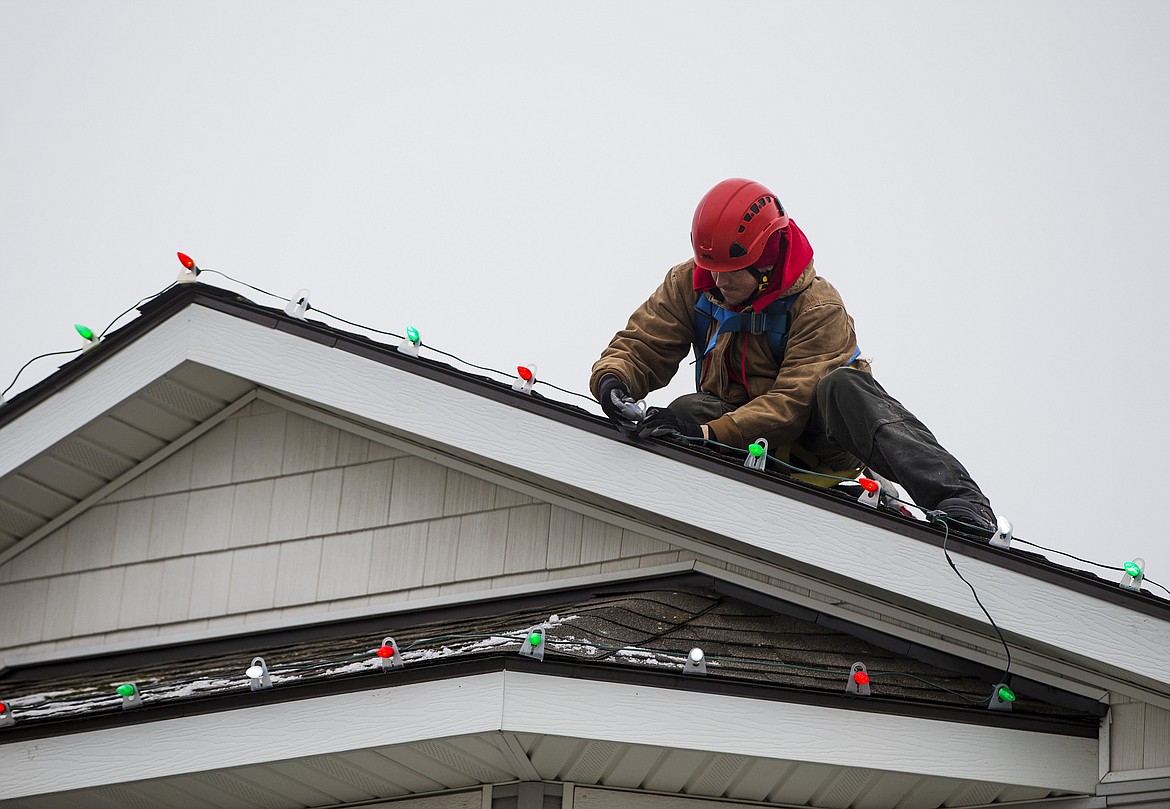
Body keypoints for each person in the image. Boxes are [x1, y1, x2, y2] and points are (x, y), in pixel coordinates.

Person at [590, 178, 998, 536]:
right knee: (688, 410)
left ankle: (960, 501)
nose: (718, 280)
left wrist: (708, 436)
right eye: (711, 267)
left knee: (844, 386)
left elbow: (791, 405)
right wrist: (614, 383)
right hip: (740, 435)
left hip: (817, 449)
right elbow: (644, 341)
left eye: (732, 271)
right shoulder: (691, 284)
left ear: (766, 261)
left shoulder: (818, 307)